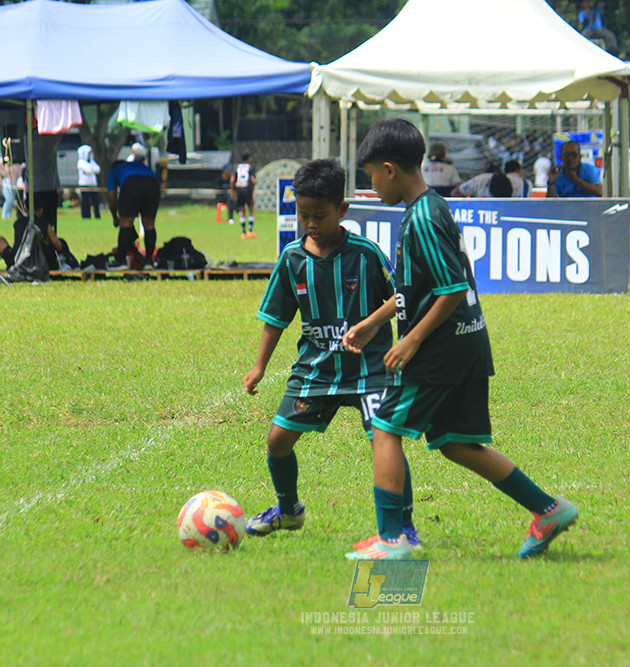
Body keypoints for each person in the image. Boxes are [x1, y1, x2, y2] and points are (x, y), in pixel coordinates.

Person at [343, 118, 577, 560]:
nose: (372, 186)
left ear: (389, 170)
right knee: (455, 442)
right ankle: (549, 510)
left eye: (372, 176)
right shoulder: (431, 207)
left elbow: (451, 290)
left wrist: (411, 340)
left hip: (441, 348)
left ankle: (392, 540)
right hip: (467, 340)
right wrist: (375, 321)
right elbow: (419, 288)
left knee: (385, 428)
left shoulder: (422, 219)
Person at [241, 158, 421, 546]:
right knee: (277, 440)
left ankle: (404, 527)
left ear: (342, 210)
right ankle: (289, 510)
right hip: (316, 368)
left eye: (319, 216)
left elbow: (401, 295)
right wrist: (259, 367)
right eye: (303, 215)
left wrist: (371, 323)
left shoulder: (366, 253)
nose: (310, 224)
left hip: (371, 368)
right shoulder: (292, 258)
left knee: (385, 442)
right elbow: (276, 317)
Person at [106, 144, 160, 268]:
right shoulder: (133, 166)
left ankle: (121, 261)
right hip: (153, 183)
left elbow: (112, 199)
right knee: (149, 225)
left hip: (132, 183)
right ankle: (149, 261)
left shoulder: (113, 172)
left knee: (126, 224)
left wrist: (115, 217)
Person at [229, 152, 256, 238]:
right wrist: (252, 189)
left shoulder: (237, 167)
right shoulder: (251, 167)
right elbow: (253, 180)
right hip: (247, 189)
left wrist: (232, 190)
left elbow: (232, 180)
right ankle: (250, 231)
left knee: (242, 210)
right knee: (251, 209)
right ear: (249, 158)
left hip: (239, 189)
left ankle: (243, 233)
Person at [77, 145, 102, 220]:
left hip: (93, 184)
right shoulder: (81, 162)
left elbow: (98, 169)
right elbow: (88, 170)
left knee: (96, 201)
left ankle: (97, 216)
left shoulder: (92, 161)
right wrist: (92, 169)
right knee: (85, 202)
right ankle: (86, 216)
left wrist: (92, 169)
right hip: (84, 184)